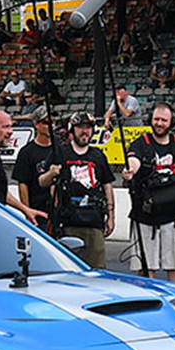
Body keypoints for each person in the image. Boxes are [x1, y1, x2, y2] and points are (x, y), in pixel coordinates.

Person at [124, 103, 175, 283]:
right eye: (156, 119)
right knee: (146, 270)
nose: (159, 123)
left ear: (171, 122)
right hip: (144, 218)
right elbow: (133, 160)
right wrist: (130, 170)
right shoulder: (140, 144)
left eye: (163, 120)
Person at [45, 112, 116, 268]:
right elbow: (42, 182)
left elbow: (107, 185)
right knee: (69, 268)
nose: (84, 131)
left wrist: (111, 216)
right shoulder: (60, 153)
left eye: (88, 128)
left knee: (97, 270)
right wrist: (51, 173)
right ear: (72, 129)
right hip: (68, 222)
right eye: (80, 127)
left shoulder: (98, 155)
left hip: (94, 221)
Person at [12, 107, 60, 230]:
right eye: (46, 122)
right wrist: (27, 211)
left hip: (60, 213)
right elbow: (23, 184)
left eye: (53, 122)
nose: (51, 126)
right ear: (36, 124)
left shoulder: (61, 147)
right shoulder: (27, 152)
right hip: (39, 211)